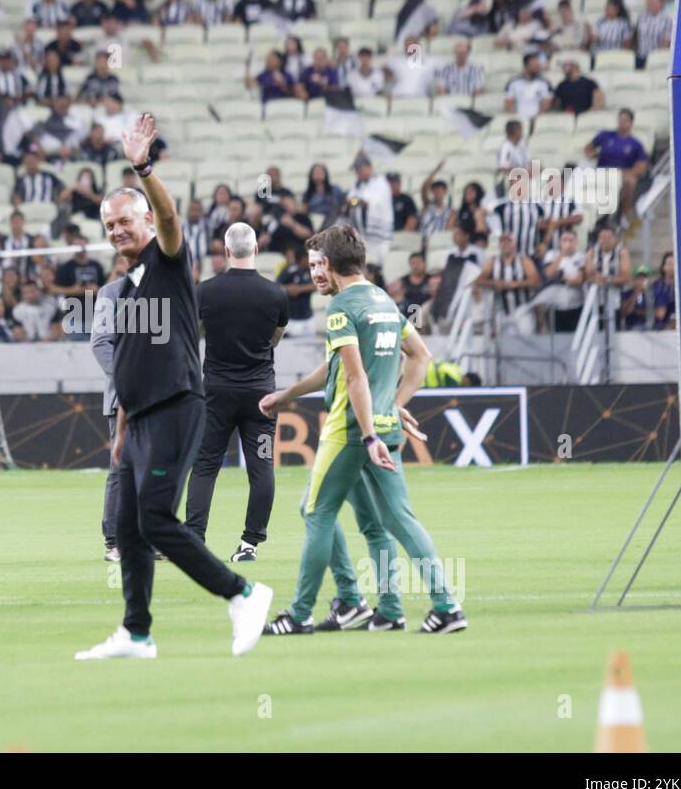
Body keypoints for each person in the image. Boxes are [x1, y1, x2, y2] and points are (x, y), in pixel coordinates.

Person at [75, 113, 272, 660]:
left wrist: (143, 168)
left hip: (177, 409)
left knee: (158, 520)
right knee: (130, 526)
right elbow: (132, 363)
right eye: (108, 225)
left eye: (124, 221)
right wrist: (120, 427)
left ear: (144, 220)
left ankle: (244, 593)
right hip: (139, 418)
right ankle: (136, 632)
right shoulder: (130, 289)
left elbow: (167, 215)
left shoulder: (167, 259)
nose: (116, 231)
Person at [259, 224, 468, 635]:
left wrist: (369, 434)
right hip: (382, 426)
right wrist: (392, 405)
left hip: (352, 430)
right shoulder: (384, 301)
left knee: (316, 511)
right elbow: (421, 357)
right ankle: (417, 607)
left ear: (333, 264)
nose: (316, 272)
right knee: (392, 522)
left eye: (320, 264)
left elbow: (354, 379)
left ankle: (301, 614)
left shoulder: (341, 309)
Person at [184, 223, 288, 562]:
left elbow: (194, 335)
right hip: (261, 395)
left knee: (204, 465)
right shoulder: (276, 294)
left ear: (226, 251)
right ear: (256, 249)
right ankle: (250, 543)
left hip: (215, 391)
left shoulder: (204, 291)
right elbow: (275, 337)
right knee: (261, 468)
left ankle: (195, 538)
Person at [90, 269, 127, 562]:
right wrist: (130, 380)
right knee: (121, 468)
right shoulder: (110, 293)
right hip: (125, 398)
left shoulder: (166, 293)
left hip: (162, 398)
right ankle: (114, 540)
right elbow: (100, 343)